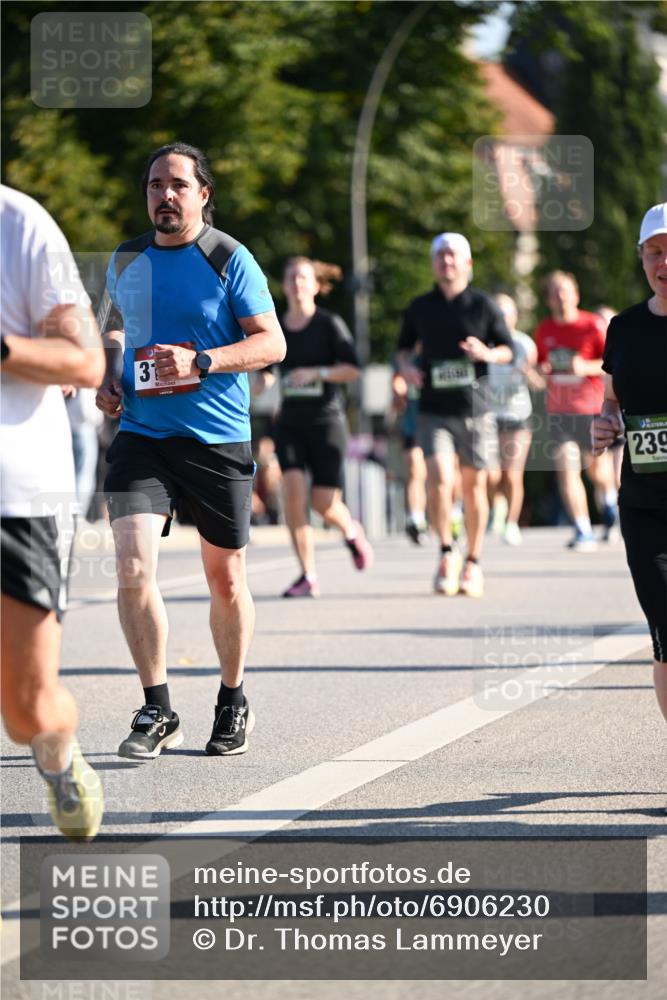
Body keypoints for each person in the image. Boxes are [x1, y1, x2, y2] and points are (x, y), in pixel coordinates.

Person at [95, 142, 286, 759]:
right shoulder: (127, 258)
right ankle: (157, 707)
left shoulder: (229, 258)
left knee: (225, 578)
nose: (164, 195)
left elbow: (272, 343)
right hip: (143, 436)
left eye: (177, 184)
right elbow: (118, 324)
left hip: (215, 438)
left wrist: (201, 361)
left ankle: (232, 699)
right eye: (154, 185)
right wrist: (111, 371)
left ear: (203, 194)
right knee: (132, 564)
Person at [1, 184, 106, 840]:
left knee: (27, 711)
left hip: (14, 495)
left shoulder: (22, 226)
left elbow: (86, 360)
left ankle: (60, 757)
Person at [397, 232, 513, 597]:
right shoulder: (420, 307)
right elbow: (401, 350)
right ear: (434, 263)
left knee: (474, 485)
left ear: (467, 264)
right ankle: (447, 551)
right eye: (441, 255)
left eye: (453, 255)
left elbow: (508, 350)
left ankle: (474, 561)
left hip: (475, 410)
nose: (447, 261)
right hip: (433, 409)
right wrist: (407, 370)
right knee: (439, 480)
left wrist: (487, 354)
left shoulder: (483, 306)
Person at [591, 203, 667, 728]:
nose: (665, 262)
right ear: (641, 259)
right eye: (656, 252)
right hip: (644, 505)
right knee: (664, 631)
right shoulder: (624, 328)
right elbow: (612, 399)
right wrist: (604, 422)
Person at [257, 257, 372, 598]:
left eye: (303, 277)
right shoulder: (274, 326)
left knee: (324, 503)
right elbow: (266, 366)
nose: (297, 283)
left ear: (316, 285)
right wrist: (260, 382)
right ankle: (307, 574)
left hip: (327, 421)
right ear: (284, 285)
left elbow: (353, 369)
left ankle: (351, 532)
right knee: (293, 495)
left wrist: (317, 373)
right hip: (290, 421)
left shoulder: (328, 324)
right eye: (291, 277)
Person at [534, 271, 618, 551]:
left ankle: (608, 503)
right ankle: (583, 529)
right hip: (560, 411)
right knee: (567, 469)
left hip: (591, 409)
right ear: (548, 299)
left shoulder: (592, 325)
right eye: (555, 291)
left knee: (598, 473)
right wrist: (540, 372)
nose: (560, 296)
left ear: (576, 294)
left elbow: (612, 364)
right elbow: (539, 368)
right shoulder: (544, 330)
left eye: (565, 290)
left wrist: (584, 367)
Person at [487, 293, 541, 546]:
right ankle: (494, 511)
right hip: (488, 416)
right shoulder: (485, 344)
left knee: (512, 474)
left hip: (518, 416)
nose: (502, 318)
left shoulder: (523, 344)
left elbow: (538, 383)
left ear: (515, 316)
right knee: (490, 474)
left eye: (506, 313)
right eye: (497, 313)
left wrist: (527, 371)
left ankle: (511, 523)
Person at [391, 366, 428, 544]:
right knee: (415, 470)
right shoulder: (403, 356)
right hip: (412, 427)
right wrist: (398, 394)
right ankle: (416, 518)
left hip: (443, 421)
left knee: (445, 475)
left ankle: (455, 512)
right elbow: (396, 382)